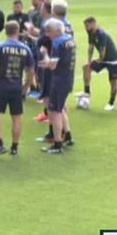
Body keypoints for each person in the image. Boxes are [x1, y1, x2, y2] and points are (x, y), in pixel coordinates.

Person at [0, 21, 35, 158]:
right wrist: (26, 86)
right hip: (17, 86)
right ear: (18, 31)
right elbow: (30, 71)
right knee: (16, 117)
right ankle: (14, 147)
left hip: (2, 84)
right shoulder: (25, 49)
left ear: (5, 31)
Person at [39, 18, 75, 154]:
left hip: (59, 80)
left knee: (54, 111)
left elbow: (53, 65)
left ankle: (57, 143)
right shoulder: (69, 39)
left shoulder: (57, 42)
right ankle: (68, 137)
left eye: (48, 31)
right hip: (68, 78)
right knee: (60, 108)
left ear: (56, 30)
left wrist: (45, 54)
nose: (47, 34)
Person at [77, 17, 117, 111]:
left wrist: (100, 59)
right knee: (86, 67)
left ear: (93, 24)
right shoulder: (90, 32)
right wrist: (89, 61)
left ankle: (111, 103)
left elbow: (103, 49)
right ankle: (87, 92)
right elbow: (91, 47)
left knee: (113, 82)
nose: (86, 28)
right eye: (85, 26)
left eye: (87, 25)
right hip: (103, 59)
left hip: (113, 60)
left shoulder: (101, 34)